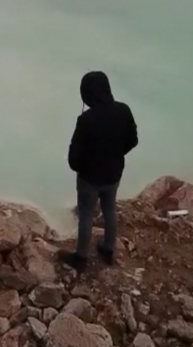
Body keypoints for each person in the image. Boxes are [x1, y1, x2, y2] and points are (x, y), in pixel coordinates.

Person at [59, 71, 138, 271]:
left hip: (90, 178)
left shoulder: (86, 120)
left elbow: (74, 156)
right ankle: (108, 249)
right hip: (114, 173)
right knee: (109, 209)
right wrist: (116, 154)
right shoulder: (124, 110)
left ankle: (81, 257)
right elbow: (133, 140)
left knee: (86, 214)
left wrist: (82, 167)